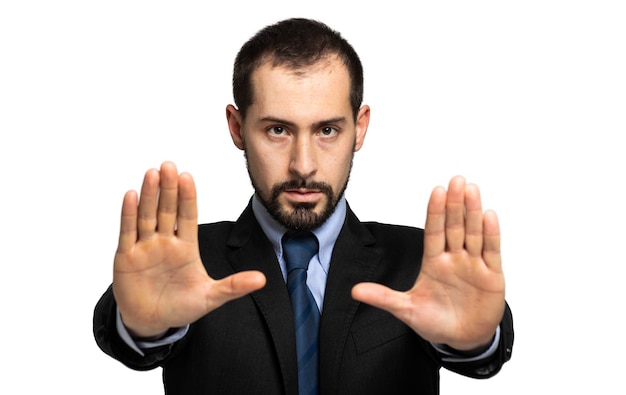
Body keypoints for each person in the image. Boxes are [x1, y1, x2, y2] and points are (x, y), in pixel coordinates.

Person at [93, 17, 513, 395]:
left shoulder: (423, 262)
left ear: (360, 128)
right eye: (278, 130)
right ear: (237, 128)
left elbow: (480, 342)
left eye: (327, 130)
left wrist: (474, 342)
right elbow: (123, 327)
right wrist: (143, 330)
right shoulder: (185, 259)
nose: (304, 165)